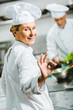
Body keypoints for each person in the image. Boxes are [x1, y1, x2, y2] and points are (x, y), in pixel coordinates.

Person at [1, 2, 56, 110]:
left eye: (33, 28)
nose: (32, 33)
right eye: (26, 29)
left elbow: (3, 82)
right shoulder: (24, 54)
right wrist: (42, 78)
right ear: (15, 32)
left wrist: (16, 102)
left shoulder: (11, 51)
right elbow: (26, 87)